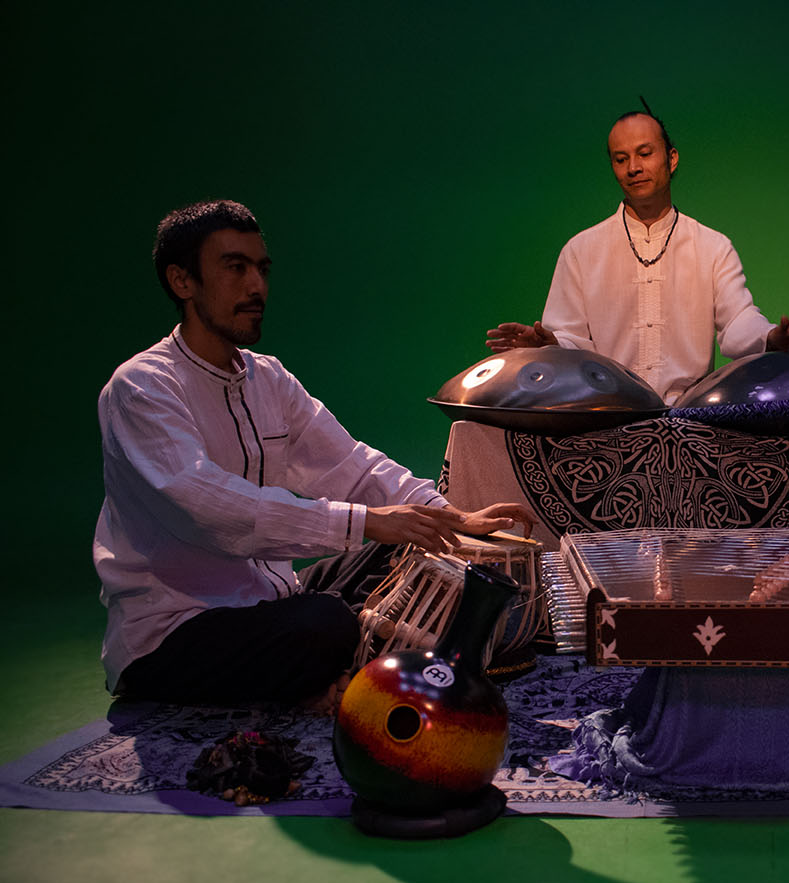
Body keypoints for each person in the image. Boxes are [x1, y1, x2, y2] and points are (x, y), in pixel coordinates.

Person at [95, 199, 537, 706]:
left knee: (412, 544)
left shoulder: (268, 377)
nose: (256, 286)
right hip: (175, 628)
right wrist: (367, 520)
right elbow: (210, 508)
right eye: (235, 268)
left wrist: (449, 516)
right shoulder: (142, 387)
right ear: (182, 281)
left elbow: (353, 466)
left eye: (261, 269)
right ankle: (325, 672)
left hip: (269, 599)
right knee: (325, 622)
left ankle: (326, 675)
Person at [485, 106, 789, 403]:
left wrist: (773, 338)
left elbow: (738, 322)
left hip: (692, 419)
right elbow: (571, 341)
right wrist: (549, 345)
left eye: (645, 154)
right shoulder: (581, 251)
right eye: (621, 159)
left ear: (671, 158)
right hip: (606, 418)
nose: (633, 168)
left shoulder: (712, 246)